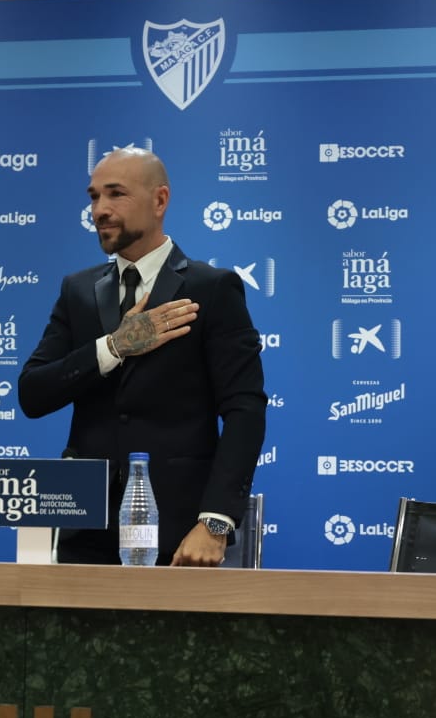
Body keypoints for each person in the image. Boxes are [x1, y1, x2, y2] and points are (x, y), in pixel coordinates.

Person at [18, 147, 267, 566]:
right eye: (94, 197)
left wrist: (215, 523)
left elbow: (245, 408)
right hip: (85, 536)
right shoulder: (77, 290)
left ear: (160, 200)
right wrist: (113, 346)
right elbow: (33, 393)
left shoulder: (212, 288)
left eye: (116, 194)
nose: (100, 209)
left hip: (181, 536)